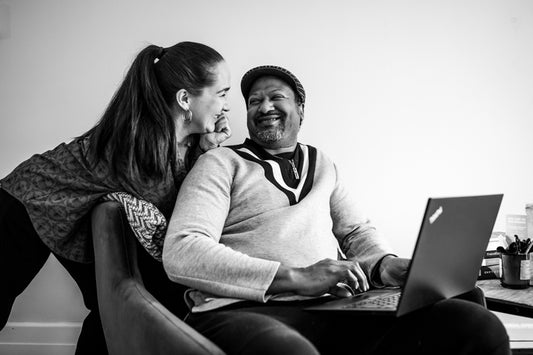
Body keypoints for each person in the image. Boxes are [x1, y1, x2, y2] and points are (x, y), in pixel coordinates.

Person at [162, 65, 511, 354]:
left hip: (333, 308)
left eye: (276, 97)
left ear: (300, 109)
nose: (264, 106)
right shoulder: (220, 163)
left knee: (474, 321)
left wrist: (387, 266)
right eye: (254, 101)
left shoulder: (323, 164)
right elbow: (183, 249)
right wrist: (297, 277)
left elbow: (356, 232)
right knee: (288, 350)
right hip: (243, 309)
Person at [0, 41, 231, 354]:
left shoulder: (181, 141)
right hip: (23, 200)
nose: (226, 106)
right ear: (185, 99)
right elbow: (173, 225)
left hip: (67, 212)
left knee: (107, 308)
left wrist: (205, 148)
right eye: (222, 93)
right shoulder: (141, 144)